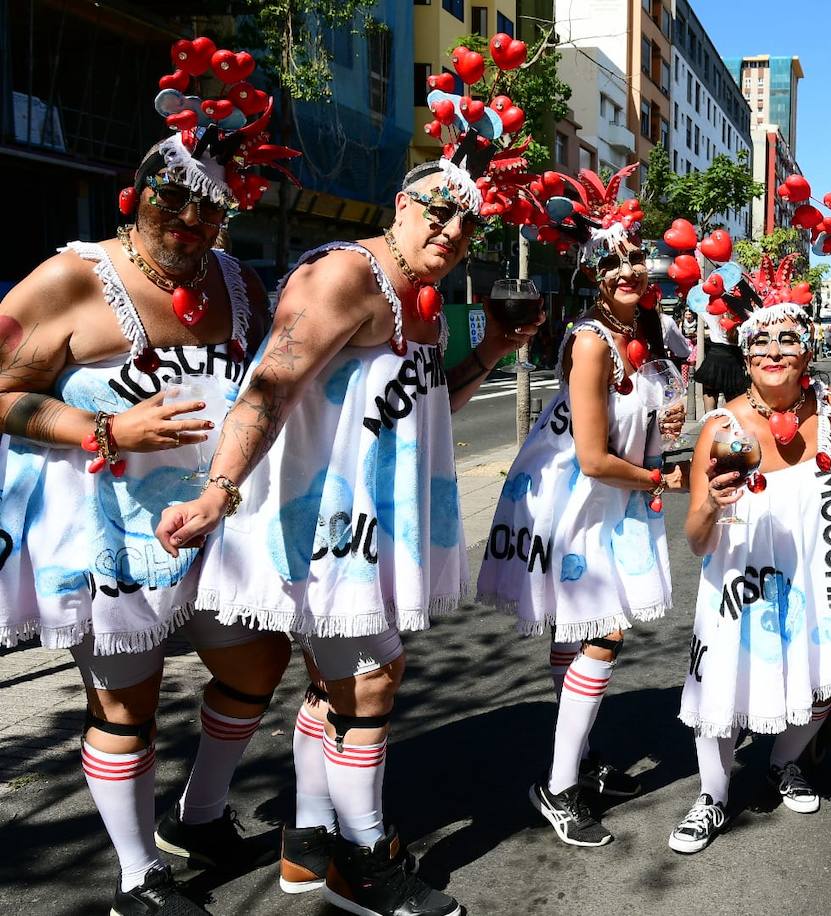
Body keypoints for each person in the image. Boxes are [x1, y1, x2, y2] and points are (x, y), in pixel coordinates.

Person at [156, 111, 541, 914]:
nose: (454, 230)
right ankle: (363, 864)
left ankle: (307, 842)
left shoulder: (421, 296)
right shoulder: (343, 277)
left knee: (340, 685)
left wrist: (491, 354)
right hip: (319, 525)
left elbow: (425, 409)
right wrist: (218, 491)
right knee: (370, 682)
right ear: (402, 205)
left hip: (372, 527)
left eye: (469, 223)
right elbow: (269, 389)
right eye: (441, 211)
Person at [0, 41, 297, 915]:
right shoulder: (71, 279)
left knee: (260, 660)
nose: (191, 219)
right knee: (126, 705)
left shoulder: (239, 283)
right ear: (140, 190)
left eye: (212, 205)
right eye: (174, 197)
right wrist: (104, 428)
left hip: (216, 523)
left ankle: (198, 816)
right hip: (111, 533)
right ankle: (138, 877)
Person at [476, 164, 689, 848]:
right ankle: (560, 786)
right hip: (575, 500)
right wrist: (660, 478)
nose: (627, 272)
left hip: (606, 499)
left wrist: (664, 423)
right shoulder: (593, 343)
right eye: (613, 263)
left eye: (635, 261)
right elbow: (595, 457)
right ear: (592, 273)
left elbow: (640, 419)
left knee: (578, 636)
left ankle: (582, 759)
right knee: (603, 634)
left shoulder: (644, 332)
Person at [670, 274, 831, 855]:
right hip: (741, 580)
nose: (774, 352)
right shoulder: (721, 429)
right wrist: (713, 504)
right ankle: (712, 794)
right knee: (723, 685)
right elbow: (696, 540)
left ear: (808, 349)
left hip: (820, 572)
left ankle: (785, 761)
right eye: (761, 342)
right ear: (745, 354)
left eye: (787, 339)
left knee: (827, 671)